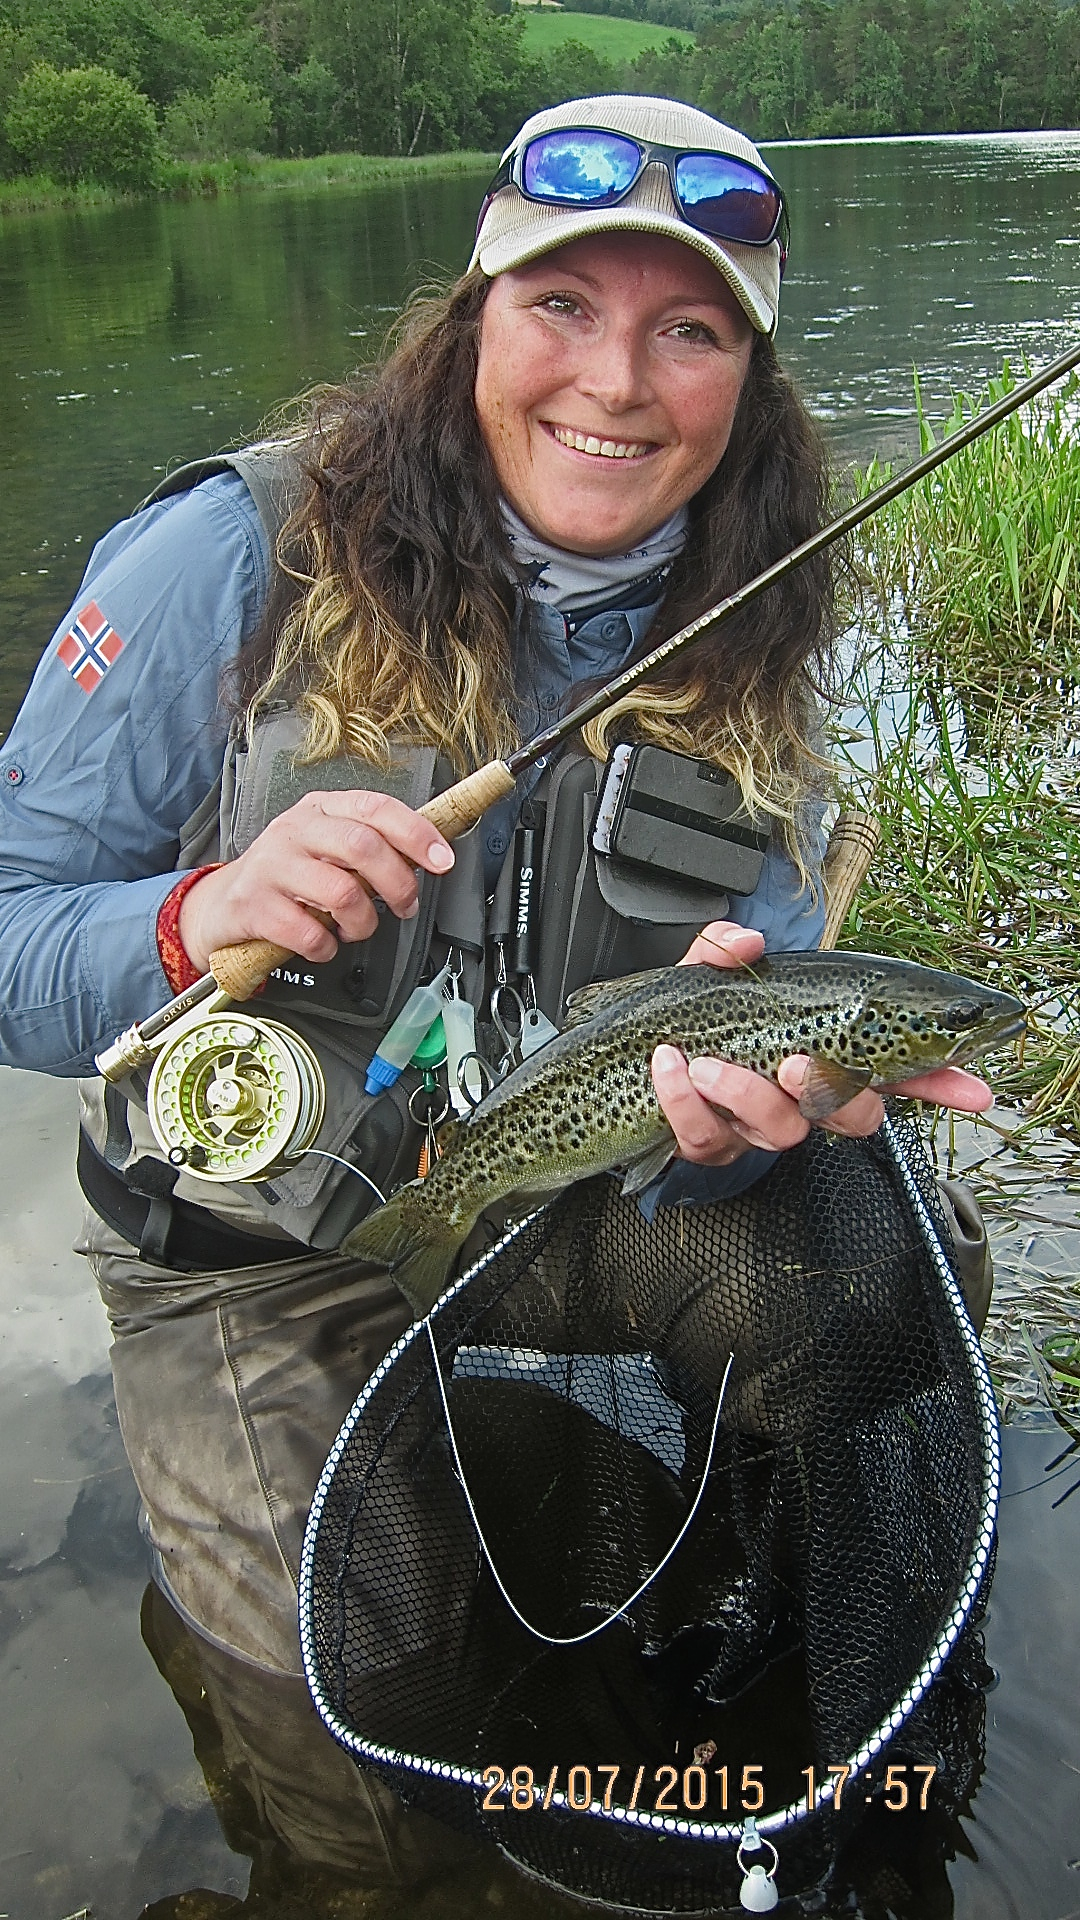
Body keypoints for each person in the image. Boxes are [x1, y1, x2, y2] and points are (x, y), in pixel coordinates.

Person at [0, 93, 993, 1887]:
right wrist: (193, 917)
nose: (617, 382)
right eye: (563, 306)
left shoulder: (761, 616)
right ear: (472, 317)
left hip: (565, 1184)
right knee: (354, 1768)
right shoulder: (226, 556)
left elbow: (758, 1003)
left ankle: (766, 1625)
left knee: (879, 1249)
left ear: (750, 382)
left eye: (690, 331)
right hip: (257, 1243)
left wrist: (748, 1135)